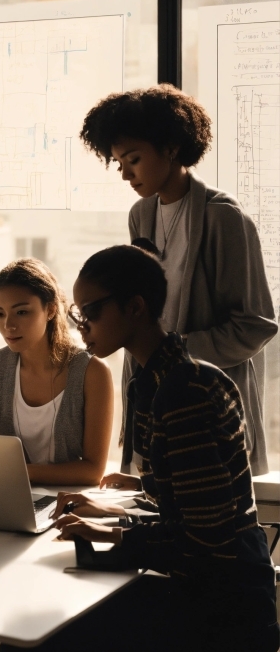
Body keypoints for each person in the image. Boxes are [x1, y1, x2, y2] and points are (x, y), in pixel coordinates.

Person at [0, 245, 279, 652]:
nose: (80, 325)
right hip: (204, 586)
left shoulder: (184, 392)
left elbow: (203, 539)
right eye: (76, 312)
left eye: (89, 311)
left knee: (32, 632)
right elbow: (183, 507)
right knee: (37, 627)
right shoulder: (153, 382)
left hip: (225, 611)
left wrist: (117, 536)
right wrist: (114, 518)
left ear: (135, 307)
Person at [80, 84, 278, 475]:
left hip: (208, 412)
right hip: (153, 410)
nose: (125, 174)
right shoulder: (142, 214)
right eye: (118, 162)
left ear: (171, 148)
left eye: (133, 159)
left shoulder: (224, 218)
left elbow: (255, 326)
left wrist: (175, 356)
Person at [0, 258, 113, 486]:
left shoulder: (92, 372)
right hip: (8, 498)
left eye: (22, 312)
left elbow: (93, 470)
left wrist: (23, 472)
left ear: (51, 309)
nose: (8, 326)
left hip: (70, 502)